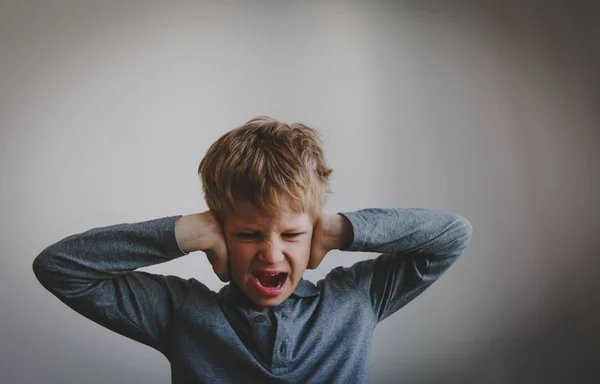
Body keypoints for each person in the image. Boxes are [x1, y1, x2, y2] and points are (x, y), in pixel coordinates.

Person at [33, 116, 473, 383]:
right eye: (247, 235)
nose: (270, 254)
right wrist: (187, 231)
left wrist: (341, 229)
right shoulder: (180, 314)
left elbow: (452, 235)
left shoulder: (354, 302)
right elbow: (59, 267)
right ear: (220, 235)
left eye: (291, 235)